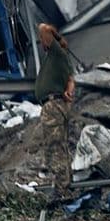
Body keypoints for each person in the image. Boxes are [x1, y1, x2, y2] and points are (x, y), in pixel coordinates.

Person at [30, 22, 78, 194]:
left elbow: (43, 27)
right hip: (57, 105)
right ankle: (66, 185)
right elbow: (72, 80)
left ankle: (62, 190)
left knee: (54, 149)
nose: (42, 42)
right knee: (61, 147)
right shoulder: (61, 60)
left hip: (53, 105)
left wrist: (56, 39)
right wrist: (69, 94)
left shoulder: (57, 52)